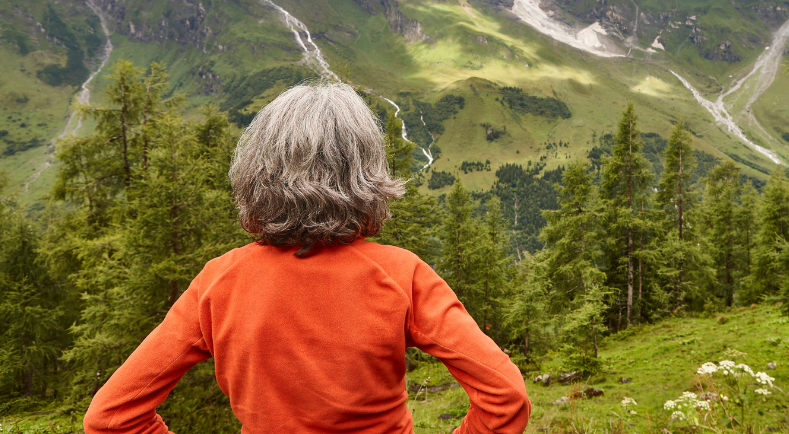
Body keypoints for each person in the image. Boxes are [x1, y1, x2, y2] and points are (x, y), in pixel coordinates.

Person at [83, 82, 531, 434]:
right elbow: (506, 398)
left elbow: (110, 418)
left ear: (255, 172)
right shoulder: (401, 274)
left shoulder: (219, 282)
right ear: (366, 172)